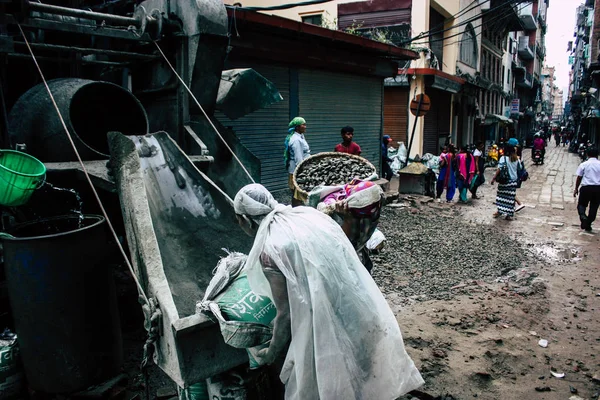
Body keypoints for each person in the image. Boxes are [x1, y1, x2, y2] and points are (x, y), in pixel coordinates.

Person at [233, 184, 424, 399]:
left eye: (238, 220)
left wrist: (271, 352)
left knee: (331, 381)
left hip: (327, 319)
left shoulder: (270, 249)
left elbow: (285, 313)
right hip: (356, 304)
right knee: (363, 374)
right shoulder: (306, 214)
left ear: (246, 220)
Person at [491, 144, 523, 220]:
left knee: (501, 197)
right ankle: (509, 214)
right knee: (511, 198)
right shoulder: (516, 159)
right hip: (513, 182)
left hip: (504, 181)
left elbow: (499, 169)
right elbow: (520, 168)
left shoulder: (503, 158)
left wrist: (494, 178)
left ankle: (500, 211)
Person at [284, 117, 310, 207]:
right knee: (297, 195)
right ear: (297, 127)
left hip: (297, 169)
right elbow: (298, 158)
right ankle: (296, 211)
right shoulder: (296, 140)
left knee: (298, 194)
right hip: (297, 170)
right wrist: (302, 172)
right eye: (303, 125)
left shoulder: (300, 136)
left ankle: (298, 209)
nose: (305, 126)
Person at [573, 147, 600, 232]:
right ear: (597, 155)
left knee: (581, 205)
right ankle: (588, 223)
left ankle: (583, 217)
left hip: (586, 188)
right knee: (594, 207)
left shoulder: (584, 164)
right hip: (598, 188)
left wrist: (576, 188)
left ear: (587, 155)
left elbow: (579, 177)